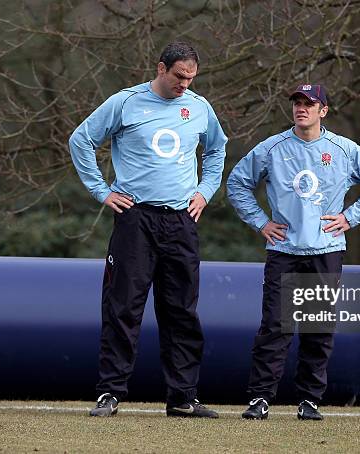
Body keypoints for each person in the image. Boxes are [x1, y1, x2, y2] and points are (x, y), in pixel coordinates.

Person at [69, 42, 227, 418]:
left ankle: (183, 397)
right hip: (135, 218)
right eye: (179, 76)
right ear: (161, 68)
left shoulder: (200, 108)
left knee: (181, 311)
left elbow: (218, 150)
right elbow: (81, 140)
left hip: (181, 221)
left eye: (191, 78)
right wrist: (101, 191)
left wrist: (205, 191)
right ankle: (110, 393)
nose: (184, 85)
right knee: (123, 306)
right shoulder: (125, 103)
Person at [227, 84, 360, 420]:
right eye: (297, 103)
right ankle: (261, 398)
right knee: (275, 326)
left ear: (323, 111)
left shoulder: (342, 150)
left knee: (317, 328)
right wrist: (261, 222)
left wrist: (350, 216)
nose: (301, 108)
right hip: (284, 250)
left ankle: (309, 400)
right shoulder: (272, 148)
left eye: (309, 103)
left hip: (324, 249)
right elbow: (237, 182)